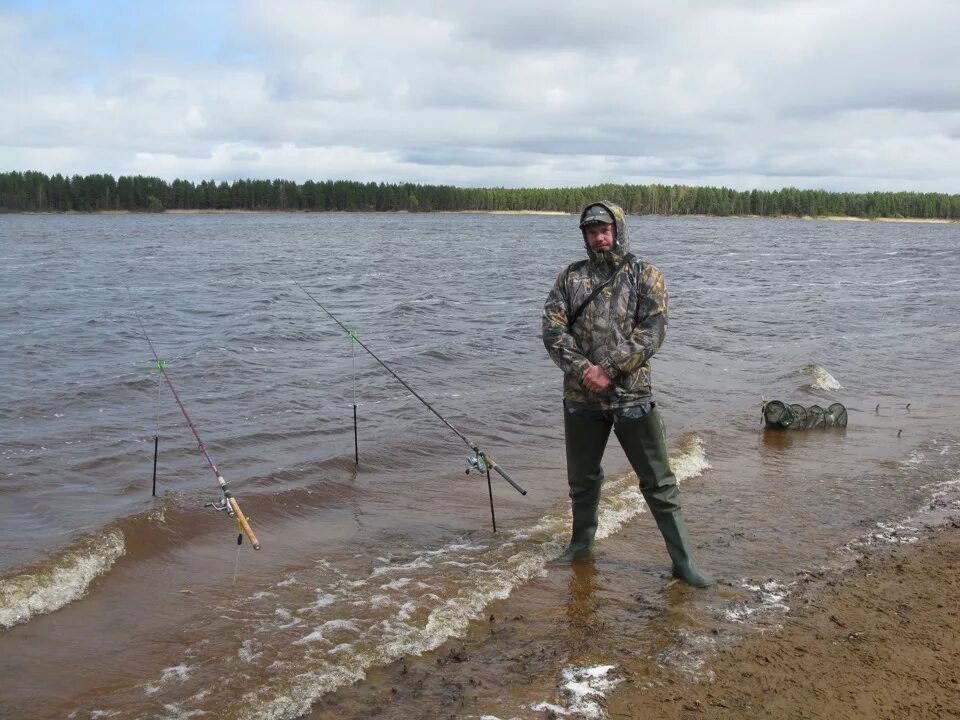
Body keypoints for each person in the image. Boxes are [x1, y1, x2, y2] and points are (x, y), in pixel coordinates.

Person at [542, 201, 711, 588]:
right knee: (582, 480)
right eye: (591, 231)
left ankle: (683, 561)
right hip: (581, 397)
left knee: (658, 481)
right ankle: (581, 545)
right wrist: (586, 371)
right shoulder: (569, 278)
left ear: (618, 230)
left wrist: (609, 369)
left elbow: (653, 331)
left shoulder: (645, 274)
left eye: (605, 229)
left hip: (633, 396)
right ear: (584, 235)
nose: (599, 237)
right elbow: (553, 331)